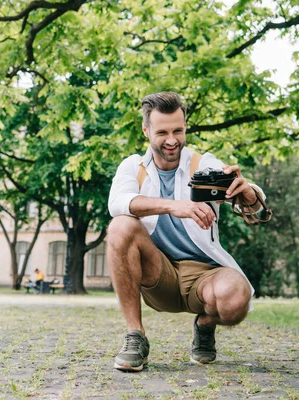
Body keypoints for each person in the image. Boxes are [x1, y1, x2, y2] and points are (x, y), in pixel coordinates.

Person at [107, 92, 266, 372]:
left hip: (205, 274)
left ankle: (205, 324)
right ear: (146, 130)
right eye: (163, 132)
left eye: (178, 130)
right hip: (158, 272)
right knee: (121, 224)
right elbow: (118, 203)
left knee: (236, 299)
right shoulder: (134, 167)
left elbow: (248, 202)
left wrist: (249, 194)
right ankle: (135, 335)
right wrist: (173, 206)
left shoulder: (202, 165)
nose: (172, 140)